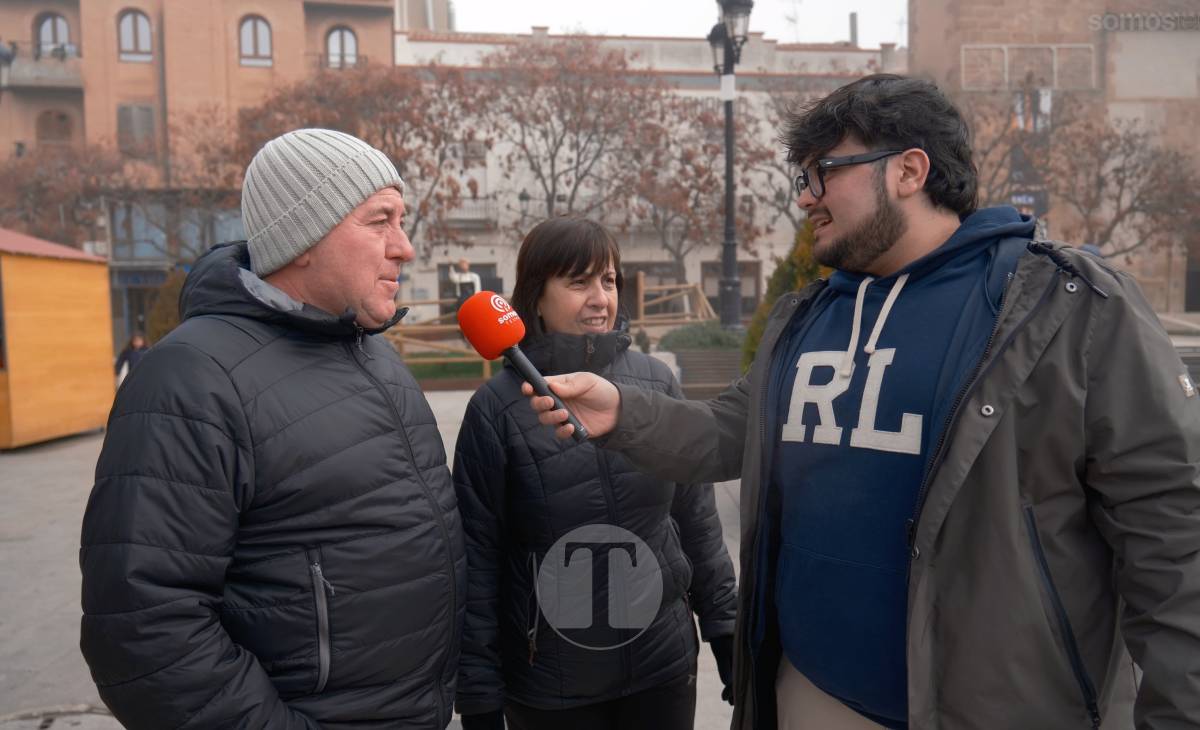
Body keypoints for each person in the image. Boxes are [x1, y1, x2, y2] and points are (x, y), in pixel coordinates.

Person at [526, 75, 1200, 729]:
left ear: (909, 171)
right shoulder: (808, 315)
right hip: (804, 692)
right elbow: (732, 430)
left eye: (825, 171)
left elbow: (1172, 541)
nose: (807, 197)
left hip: (996, 708)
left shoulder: (1067, 306)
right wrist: (623, 410)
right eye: (804, 177)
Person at [80, 128, 465, 729]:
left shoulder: (378, 359)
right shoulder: (190, 378)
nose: (405, 247)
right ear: (304, 236)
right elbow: (144, 628)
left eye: (401, 220)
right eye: (379, 221)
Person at [453, 216, 738, 730]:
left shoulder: (656, 382)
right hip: (553, 684)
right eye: (579, 282)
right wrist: (477, 694)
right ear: (535, 296)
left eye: (608, 281)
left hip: (663, 668)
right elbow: (478, 559)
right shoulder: (495, 411)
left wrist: (726, 630)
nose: (600, 298)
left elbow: (696, 520)